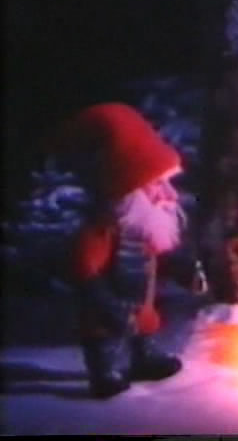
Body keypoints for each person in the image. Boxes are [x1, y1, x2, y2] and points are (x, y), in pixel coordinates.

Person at [50, 103, 187, 397]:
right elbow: (84, 273)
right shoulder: (101, 231)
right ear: (128, 191)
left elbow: (159, 257)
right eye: (156, 184)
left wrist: (183, 269)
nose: (168, 194)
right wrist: (109, 306)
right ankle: (105, 371)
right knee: (106, 338)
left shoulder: (143, 228)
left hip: (140, 309)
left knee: (143, 326)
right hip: (109, 313)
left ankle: (143, 357)